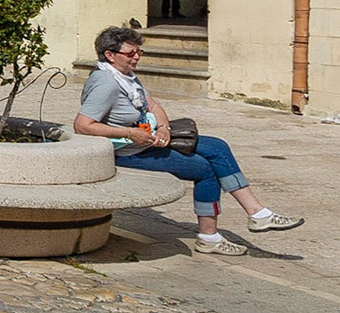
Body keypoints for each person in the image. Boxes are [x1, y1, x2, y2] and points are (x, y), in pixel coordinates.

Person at [74, 26, 301, 255]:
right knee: (204, 169)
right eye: (130, 53)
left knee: (218, 147)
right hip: (128, 152)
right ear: (110, 55)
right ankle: (212, 236)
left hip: (148, 141)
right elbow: (83, 125)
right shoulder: (106, 83)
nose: (136, 57)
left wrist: (163, 128)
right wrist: (130, 133)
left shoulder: (126, 78)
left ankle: (257, 213)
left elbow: (153, 105)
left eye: (139, 52)